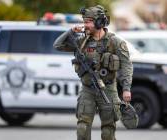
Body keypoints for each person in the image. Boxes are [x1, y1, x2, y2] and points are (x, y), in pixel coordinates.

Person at [53, 5, 133, 140]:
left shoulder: (115, 42)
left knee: (108, 129)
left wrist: (126, 89)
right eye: (84, 21)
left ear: (99, 22)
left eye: (88, 21)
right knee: (82, 127)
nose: (85, 25)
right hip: (87, 90)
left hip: (107, 89)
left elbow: (126, 65)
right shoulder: (81, 41)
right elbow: (58, 45)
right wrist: (70, 31)